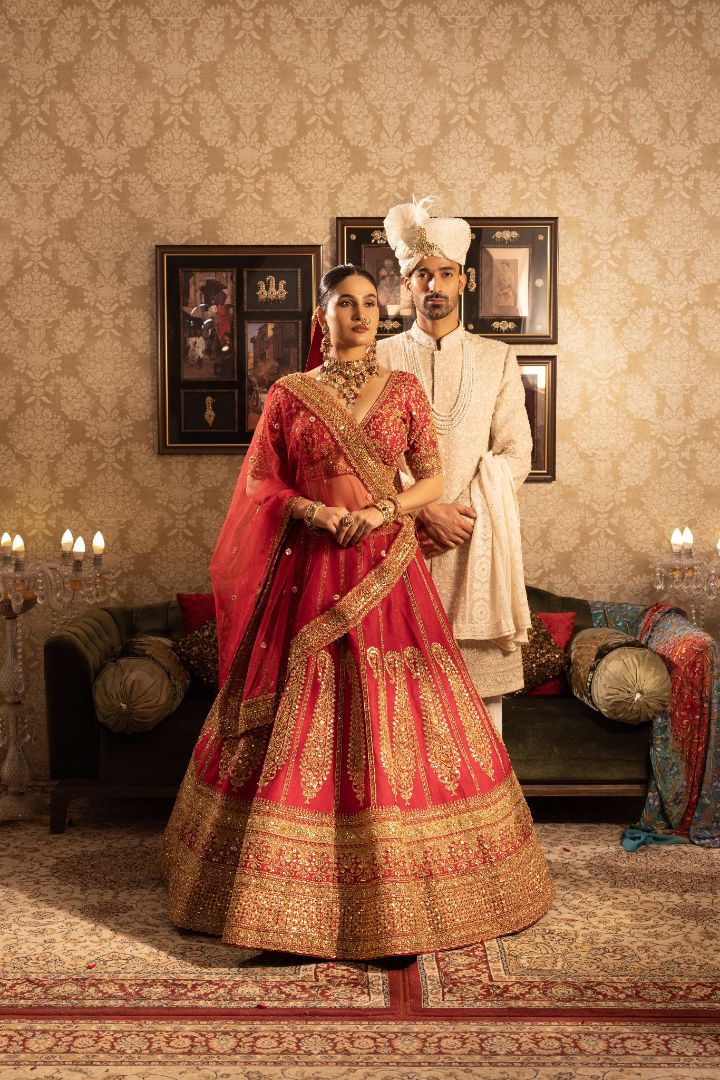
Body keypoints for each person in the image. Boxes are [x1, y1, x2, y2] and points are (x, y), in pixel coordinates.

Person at [161, 264, 553, 961]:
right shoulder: (290, 394)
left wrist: (382, 510)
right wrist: (312, 511)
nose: (363, 314)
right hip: (309, 573)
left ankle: (399, 910)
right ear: (323, 316)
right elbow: (261, 483)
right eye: (347, 304)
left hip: (388, 571)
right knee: (302, 720)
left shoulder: (402, 391)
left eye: (372, 303)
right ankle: (282, 910)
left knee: (395, 723)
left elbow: (432, 477)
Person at [377, 198, 533, 737]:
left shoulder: (497, 358)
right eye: (423, 275)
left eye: (446, 273)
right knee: (397, 714)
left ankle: (486, 798)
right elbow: (362, 454)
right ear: (407, 284)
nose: (435, 285)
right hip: (399, 544)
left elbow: (515, 453)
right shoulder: (379, 359)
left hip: (474, 546)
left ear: (463, 281)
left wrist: (459, 515)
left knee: (481, 717)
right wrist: (425, 511)